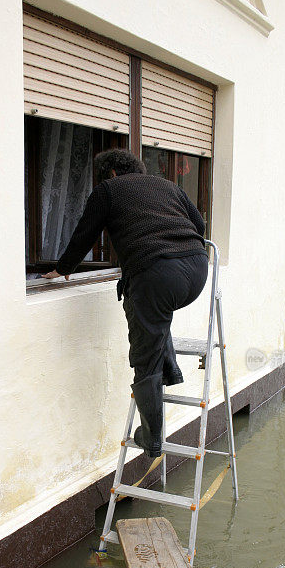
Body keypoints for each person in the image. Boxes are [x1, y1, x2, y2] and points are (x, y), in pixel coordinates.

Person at [43, 149, 208, 458]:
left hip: (157, 275)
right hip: (197, 270)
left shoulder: (109, 189)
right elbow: (198, 225)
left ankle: (152, 440)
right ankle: (170, 369)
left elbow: (85, 233)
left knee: (145, 354)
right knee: (153, 312)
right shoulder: (168, 186)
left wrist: (64, 268)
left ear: (113, 173)